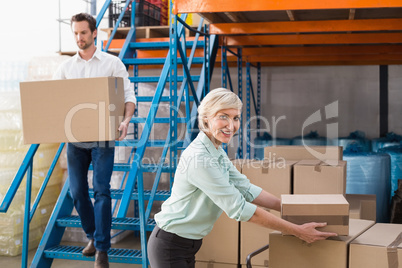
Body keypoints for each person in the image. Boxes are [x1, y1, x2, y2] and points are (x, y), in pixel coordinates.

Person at [147, 88, 337, 268]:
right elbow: (240, 209)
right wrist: (298, 231)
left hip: (187, 244)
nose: (231, 126)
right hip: (170, 245)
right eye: (223, 117)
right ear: (206, 119)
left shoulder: (215, 150)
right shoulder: (200, 158)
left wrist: (289, 208)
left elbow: (245, 188)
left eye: (236, 118)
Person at [53, 13, 136, 268]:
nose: (79, 38)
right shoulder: (66, 68)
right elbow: (55, 102)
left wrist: (124, 121)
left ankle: (101, 249)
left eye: (83, 33)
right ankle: (92, 235)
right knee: (77, 192)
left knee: (101, 190)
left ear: (94, 33)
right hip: (75, 140)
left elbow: (129, 97)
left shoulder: (111, 64)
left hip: (103, 139)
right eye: (75, 33)